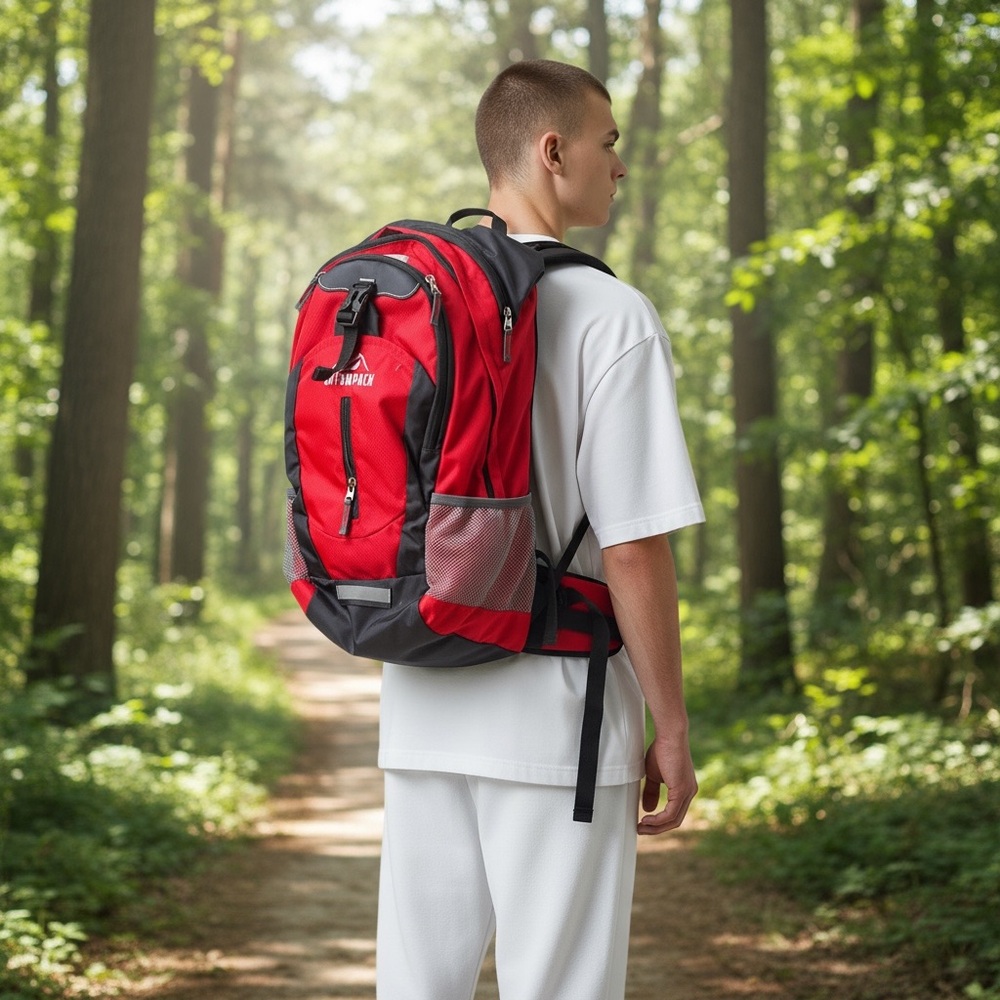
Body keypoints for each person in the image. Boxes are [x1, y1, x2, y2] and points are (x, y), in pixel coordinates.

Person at [376, 59, 705, 1000]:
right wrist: (671, 725)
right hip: (559, 715)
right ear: (552, 151)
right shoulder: (612, 316)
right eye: (610, 144)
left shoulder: (414, 302)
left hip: (424, 696)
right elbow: (635, 544)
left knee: (416, 985)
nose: (620, 164)